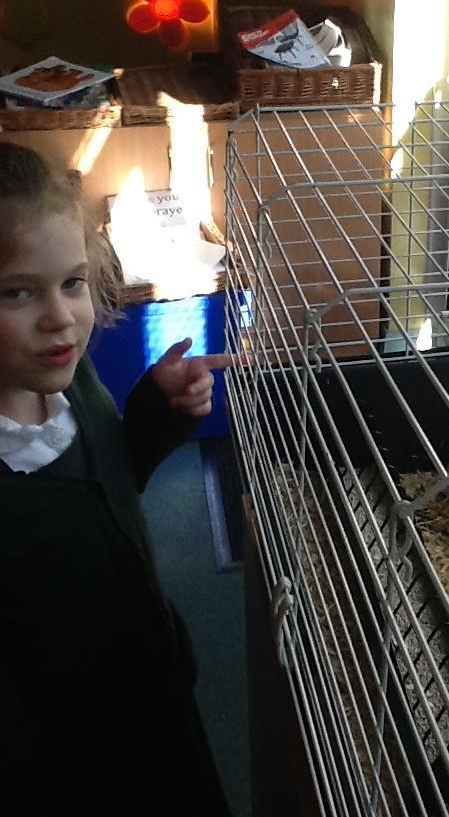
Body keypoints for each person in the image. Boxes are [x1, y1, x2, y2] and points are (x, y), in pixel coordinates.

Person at [0, 143, 233, 816]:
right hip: (69, 756)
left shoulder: (75, 381)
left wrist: (159, 410)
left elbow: (117, 475)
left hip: (154, 678)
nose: (60, 317)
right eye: (17, 291)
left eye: (72, 283)